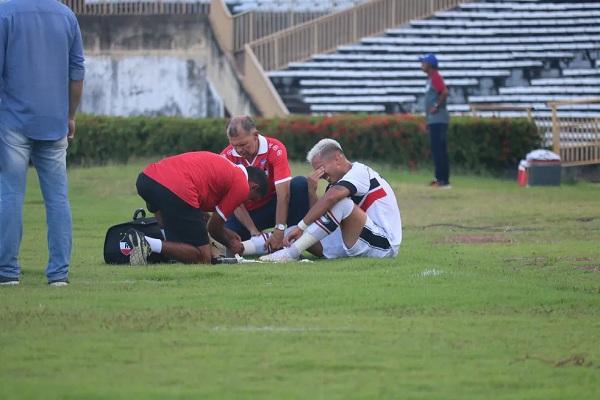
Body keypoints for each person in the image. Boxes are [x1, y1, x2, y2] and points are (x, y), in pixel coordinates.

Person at [0, 0, 85, 286]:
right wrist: (70, 115)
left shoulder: (5, 13)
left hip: (13, 121)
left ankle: (8, 272)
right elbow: (76, 74)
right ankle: (59, 274)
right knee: (58, 199)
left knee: (10, 195)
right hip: (54, 121)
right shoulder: (66, 16)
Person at [257, 139, 402, 262]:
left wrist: (301, 227)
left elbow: (332, 199)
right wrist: (311, 192)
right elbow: (321, 221)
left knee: (340, 204)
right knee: (291, 232)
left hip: (384, 244)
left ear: (338, 159)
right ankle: (243, 248)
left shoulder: (359, 172)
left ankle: (289, 254)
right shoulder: (335, 187)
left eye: (321, 168)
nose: (320, 175)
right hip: (361, 238)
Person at [123, 151, 268, 266]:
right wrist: (231, 243)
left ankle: (166, 251)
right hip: (176, 188)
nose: (247, 201)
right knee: (204, 257)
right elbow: (213, 228)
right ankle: (144, 242)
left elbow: (201, 216)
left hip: (147, 179)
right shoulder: (241, 184)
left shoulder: (227, 167)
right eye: (252, 198)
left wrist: (226, 232)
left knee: (174, 232)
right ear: (254, 186)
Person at [221, 116, 309, 253]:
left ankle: (293, 243)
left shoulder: (275, 148)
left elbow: (283, 194)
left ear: (255, 135)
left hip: (272, 206)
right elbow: (234, 202)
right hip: (247, 213)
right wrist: (253, 232)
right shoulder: (225, 158)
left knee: (300, 184)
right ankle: (259, 242)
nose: (239, 150)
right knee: (231, 239)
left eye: (244, 144)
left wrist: (279, 230)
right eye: (234, 145)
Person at [419, 53, 451, 188]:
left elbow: (444, 92)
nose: (421, 65)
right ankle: (441, 178)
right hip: (434, 120)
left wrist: (436, 106)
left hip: (438, 119)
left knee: (439, 150)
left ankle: (442, 180)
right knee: (438, 150)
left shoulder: (436, 77)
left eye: (423, 63)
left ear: (430, 65)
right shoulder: (431, 78)